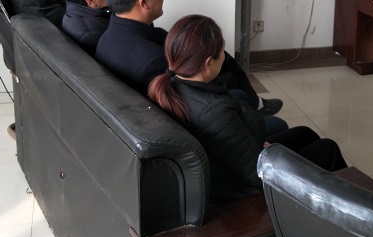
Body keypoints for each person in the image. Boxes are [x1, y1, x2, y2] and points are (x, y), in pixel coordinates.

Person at [148, 14, 347, 203]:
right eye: (222, 53)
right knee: (328, 148)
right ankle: (348, 210)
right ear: (208, 64)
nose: (224, 58)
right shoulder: (215, 112)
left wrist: (259, 147)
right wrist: (263, 153)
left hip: (236, 162)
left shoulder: (173, 86)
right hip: (244, 191)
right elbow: (257, 176)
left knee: (305, 133)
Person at [94, 0, 285, 120]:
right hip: (193, 117)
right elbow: (190, 98)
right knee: (225, 66)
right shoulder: (152, 61)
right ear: (144, 1)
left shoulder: (107, 37)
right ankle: (254, 106)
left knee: (213, 50)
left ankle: (255, 103)